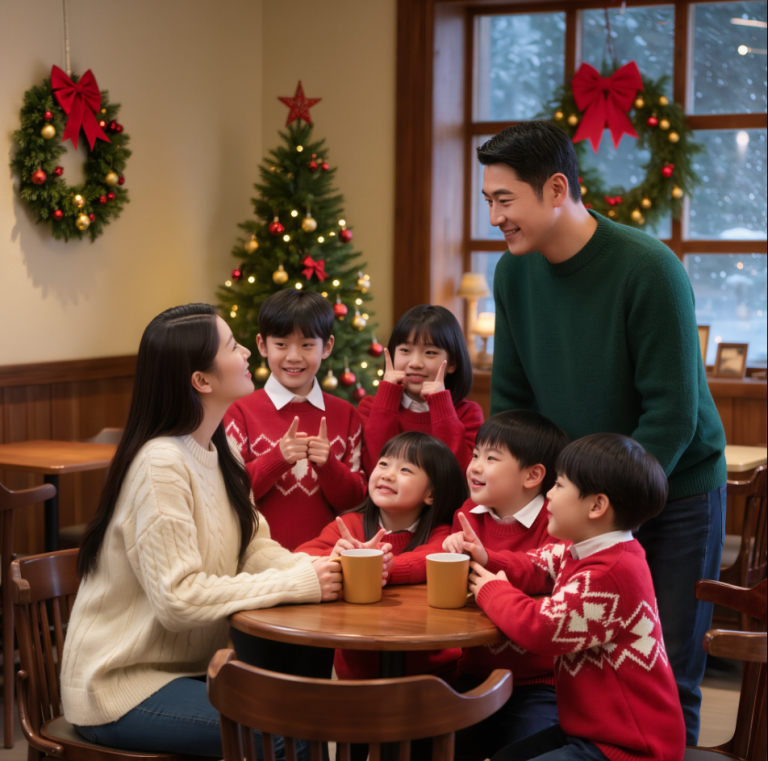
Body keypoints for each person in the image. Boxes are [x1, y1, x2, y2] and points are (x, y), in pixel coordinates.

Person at [479, 121, 726, 742]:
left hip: (670, 487)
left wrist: (608, 514)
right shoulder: (512, 275)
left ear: (556, 189)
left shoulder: (648, 268)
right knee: (582, 669)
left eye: (504, 200)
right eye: (487, 201)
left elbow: (673, 415)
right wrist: (535, 500)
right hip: (583, 500)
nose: (493, 217)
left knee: (666, 670)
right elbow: (513, 407)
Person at [60, 304, 341, 759]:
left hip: (182, 671)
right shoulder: (161, 464)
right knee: (295, 733)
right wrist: (299, 581)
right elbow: (179, 599)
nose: (248, 351)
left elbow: (254, 546)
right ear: (201, 381)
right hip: (121, 686)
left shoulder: (219, 445)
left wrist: (315, 568)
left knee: (307, 706)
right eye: (232, 346)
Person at [470, 434, 686, 761]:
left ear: (597, 506)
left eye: (558, 486)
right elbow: (538, 564)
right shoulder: (587, 551)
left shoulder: (610, 572)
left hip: (628, 746)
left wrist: (492, 591)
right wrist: (487, 558)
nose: (549, 496)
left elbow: (542, 627)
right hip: (591, 730)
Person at [439, 411, 569, 759]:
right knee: (431, 742)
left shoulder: (556, 523)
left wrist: (485, 560)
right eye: (476, 454)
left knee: (530, 750)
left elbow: (543, 575)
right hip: (475, 672)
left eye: (491, 458)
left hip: (539, 683)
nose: (475, 466)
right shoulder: (468, 512)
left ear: (533, 475)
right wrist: (452, 552)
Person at [296, 431, 468, 680]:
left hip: (433, 676)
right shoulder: (349, 524)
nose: (387, 474)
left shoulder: (442, 532)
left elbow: (429, 559)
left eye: (406, 470)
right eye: (384, 463)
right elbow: (302, 555)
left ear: (431, 494)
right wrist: (334, 557)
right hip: (356, 674)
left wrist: (380, 566)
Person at [224, 288, 367, 552]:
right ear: (261, 345)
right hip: (259, 564)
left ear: (327, 347)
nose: (293, 356)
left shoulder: (347, 416)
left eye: (307, 345)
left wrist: (329, 465)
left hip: (329, 560)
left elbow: (356, 500)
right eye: (281, 344)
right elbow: (229, 492)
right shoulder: (239, 412)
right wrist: (276, 458)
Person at [358, 304, 483, 475]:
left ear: (453, 363)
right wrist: (387, 396)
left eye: (430, 352)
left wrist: (441, 406)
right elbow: (376, 467)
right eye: (405, 350)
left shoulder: (468, 413)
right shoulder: (371, 408)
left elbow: (458, 474)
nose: (415, 363)